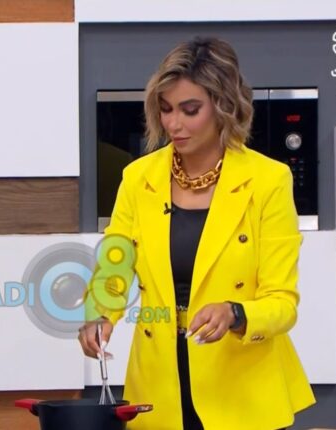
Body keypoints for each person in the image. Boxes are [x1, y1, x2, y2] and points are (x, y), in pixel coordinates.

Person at [78, 37, 315, 429]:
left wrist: (235, 313)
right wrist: (99, 315)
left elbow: (282, 303)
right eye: (166, 109)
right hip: (159, 388)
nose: (174, 124)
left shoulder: (269, 180)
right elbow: (114, 267)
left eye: (190, 110)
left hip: (241, 392)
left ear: (224, 107)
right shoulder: (138, 179)